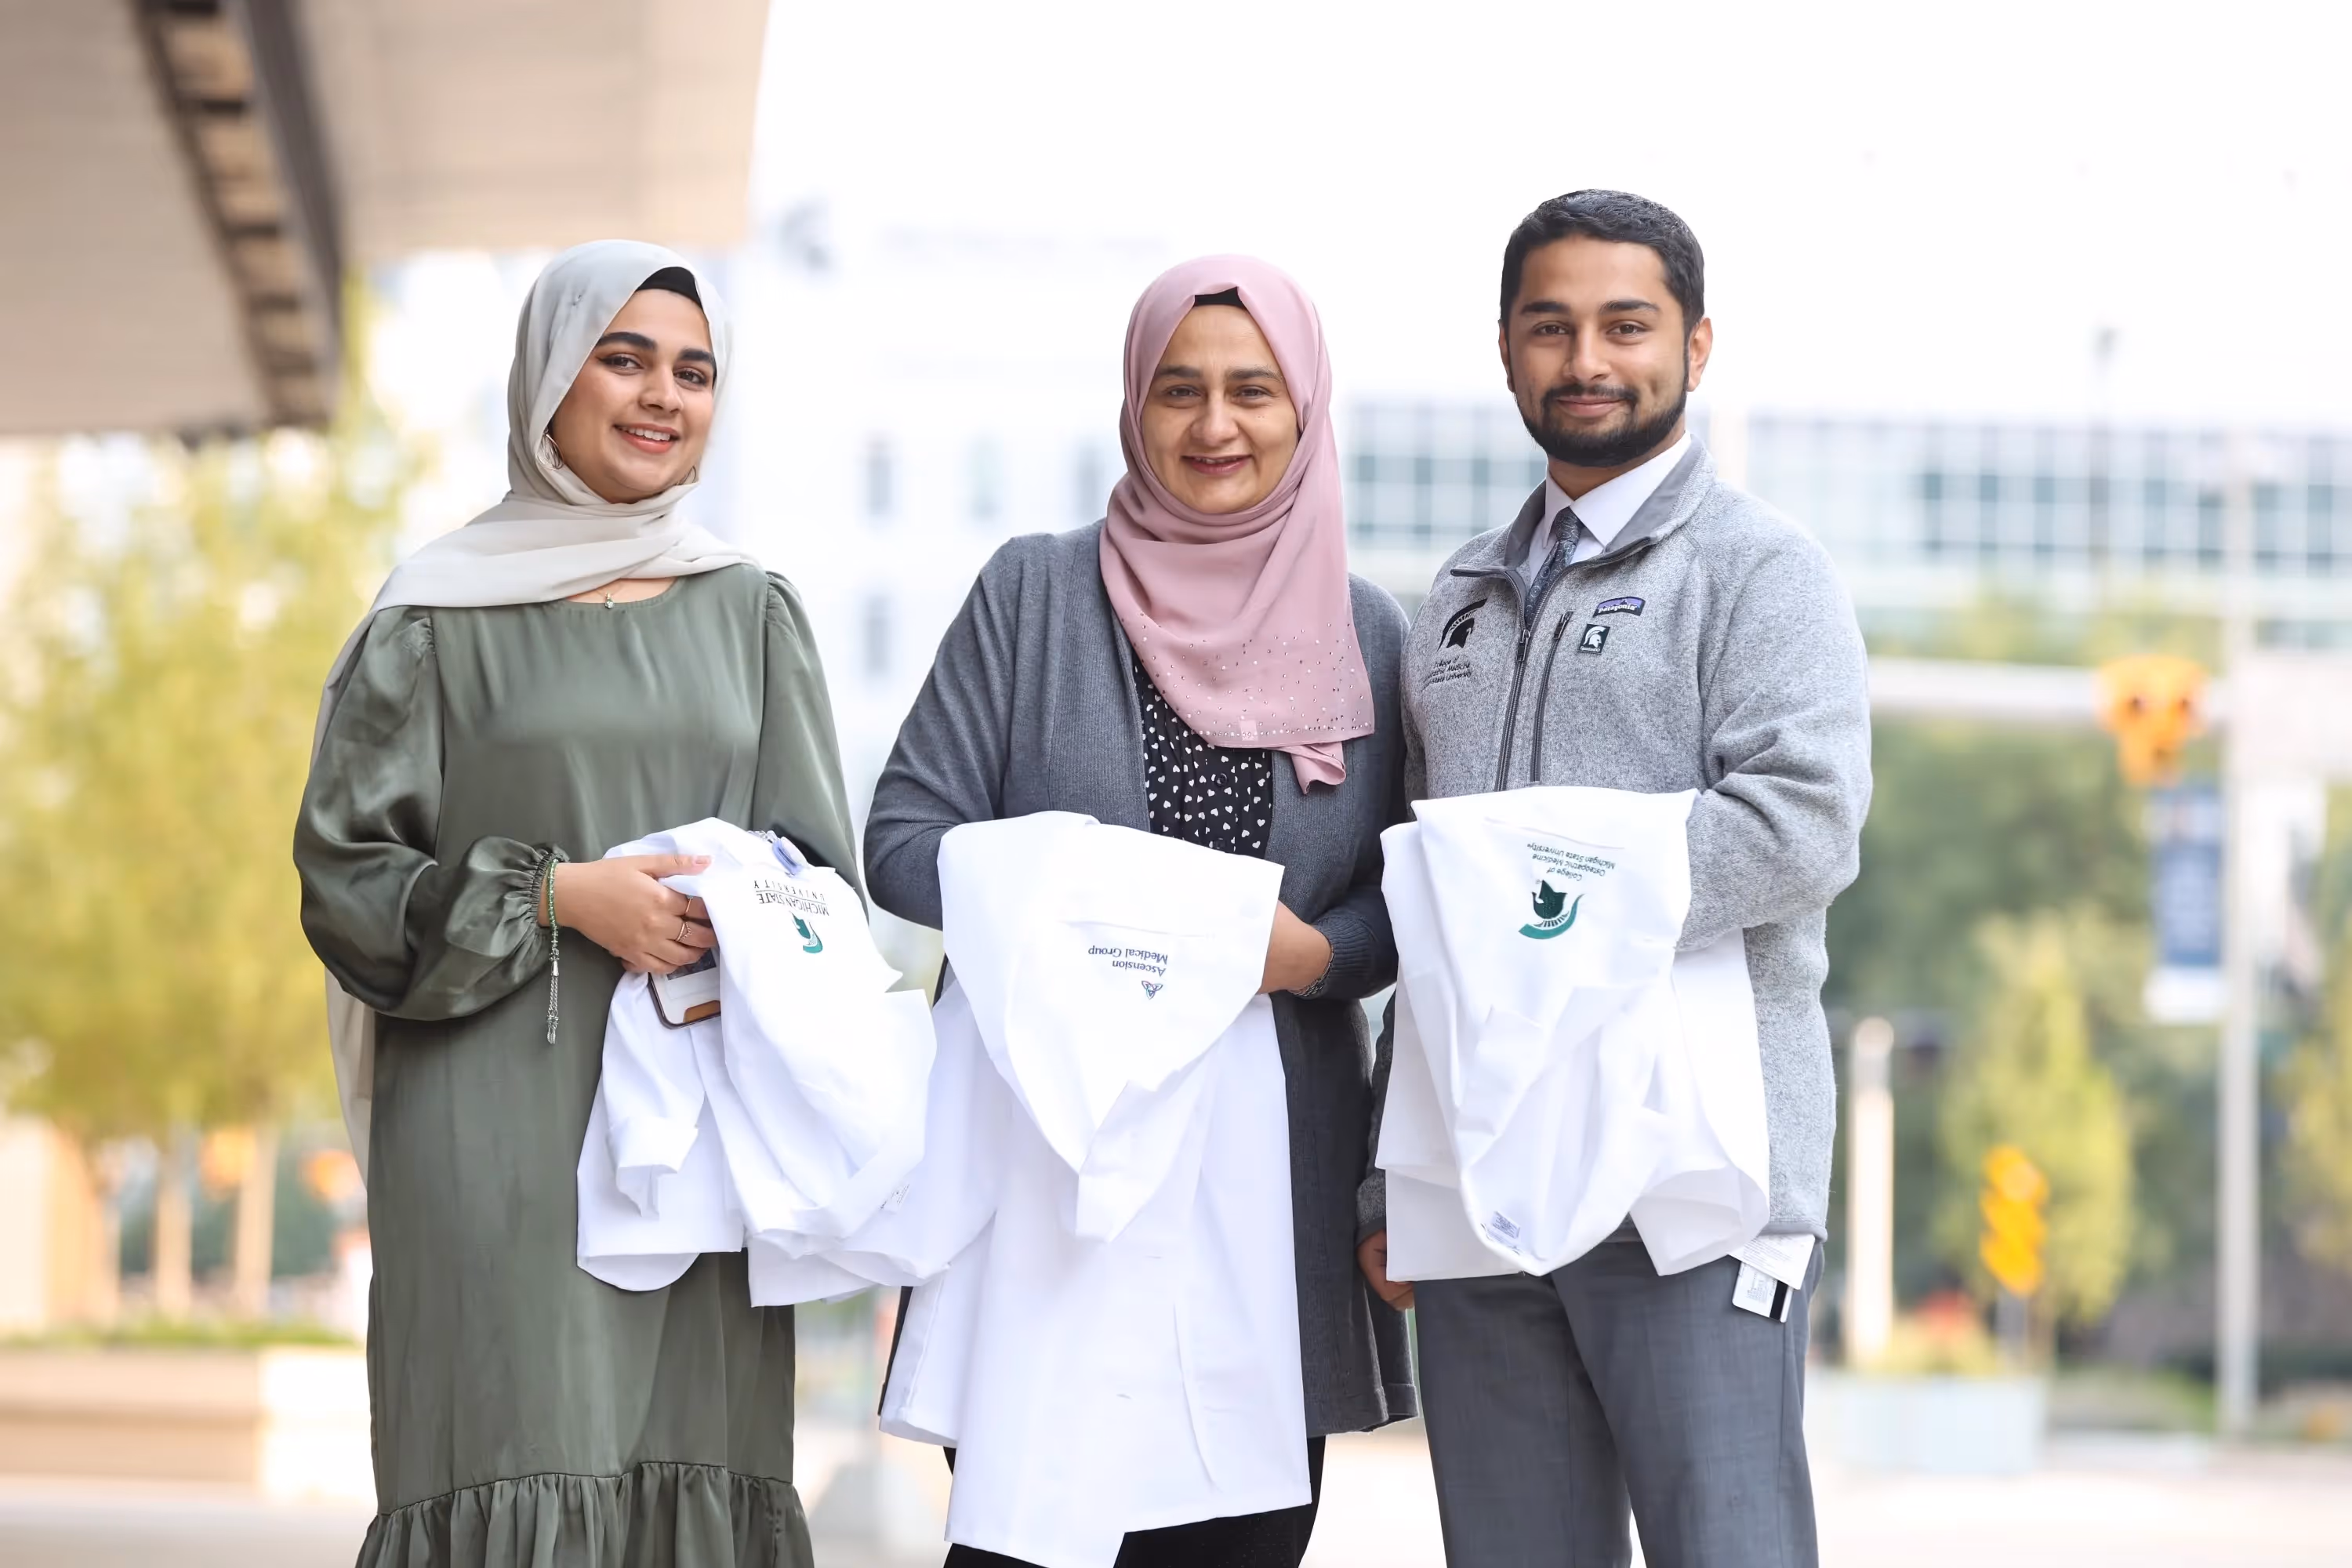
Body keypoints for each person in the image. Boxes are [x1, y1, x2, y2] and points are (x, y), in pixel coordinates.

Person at [294, 240, 855, 1568]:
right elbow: (350, 883)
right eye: (624, 358)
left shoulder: (752, 611)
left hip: (703, 1138)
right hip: (496, 1136)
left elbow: (820, 877)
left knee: (692, 1466)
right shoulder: (433, 618)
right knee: (513, 1454)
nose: (663, 395)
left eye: (694, 371)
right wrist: (557, 895)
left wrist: (733, 904)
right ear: (548, 379)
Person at [864, 256, 1417, 1566]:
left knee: (1241, 1534)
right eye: (1179, 389)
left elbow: (1415, 904)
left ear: (1305, 412)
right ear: (1133, 406)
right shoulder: (1033, 594)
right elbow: (900, 842)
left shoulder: (1374, 637)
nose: (1213, 424)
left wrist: (1316, 954)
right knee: (1024, 1539)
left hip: (1267, 1188)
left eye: (1251, 391)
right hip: (1047, 1170)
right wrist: (1072, 918)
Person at [1361, 190, 1872, 1566]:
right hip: (1480, 1187)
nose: (1588, 358)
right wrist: (1382, 1177)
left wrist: (1547, 907)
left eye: (1626, 324)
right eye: (1553, 326)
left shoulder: (1763, 573)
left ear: (1696, 346)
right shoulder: (1457, 596)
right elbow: (1427, 907)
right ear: (1509, 350)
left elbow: (1805, 824)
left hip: (1692, 1183)